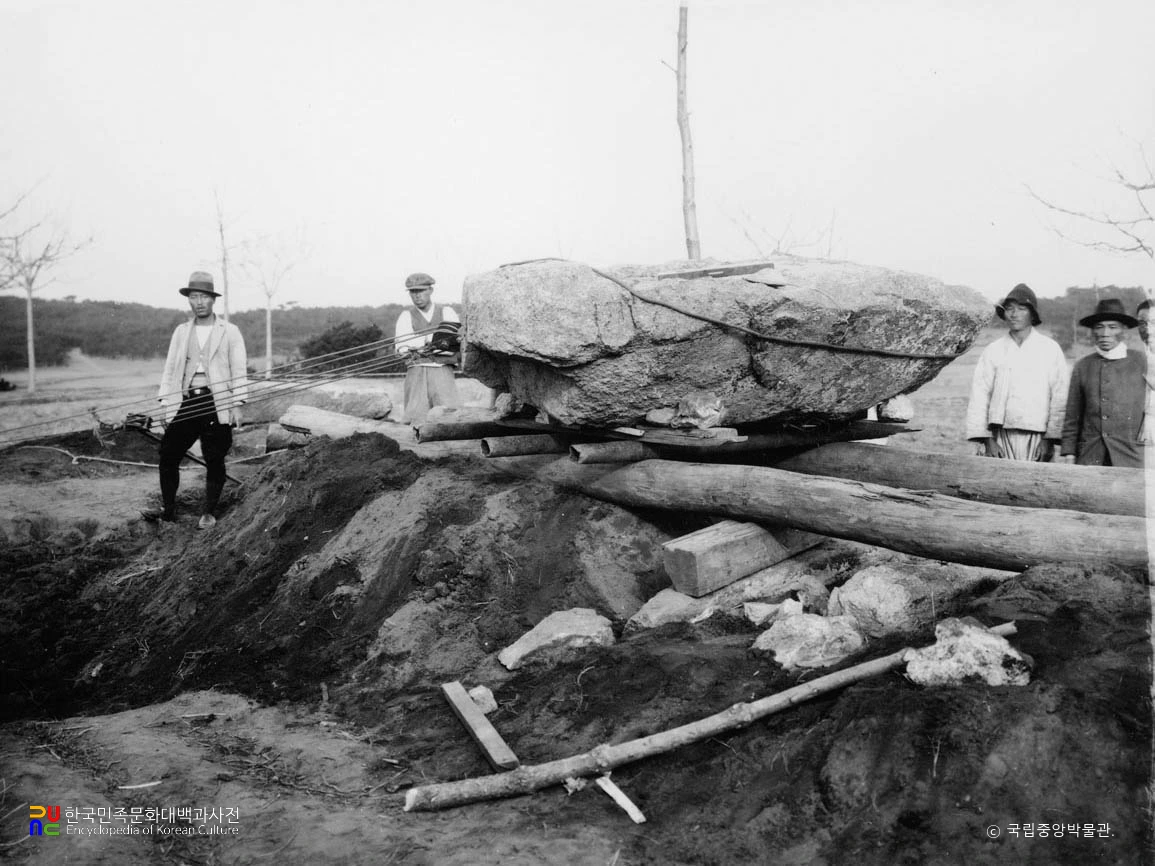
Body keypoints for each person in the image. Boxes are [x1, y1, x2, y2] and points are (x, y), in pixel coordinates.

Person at [143, 271, 248, 528]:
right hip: (187, 402)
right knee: (168, 454)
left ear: (213, 300)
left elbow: (239, 370)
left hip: (217, 402)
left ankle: (209, 512)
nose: (199, 302)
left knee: (214, 458)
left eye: (203, 296)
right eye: (194, 297)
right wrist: (167, 403)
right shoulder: (181, 332)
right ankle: (168, 510)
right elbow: (170, 369)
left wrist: (237, 404)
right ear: (189, 300)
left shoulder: (230, 331)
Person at [964, 283, 1069, 461]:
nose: (1014, 314)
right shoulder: (993, 350)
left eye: (1021, 309)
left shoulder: (1050, 349)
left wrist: (1049, 440)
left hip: (1037, 437)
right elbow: (980, 394)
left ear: (1032, 313)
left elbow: (1060, 396)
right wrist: (987, 439)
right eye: (1010, 309)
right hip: (1000, 435)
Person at [1059, 298, 1146, 468]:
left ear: (1124, 330)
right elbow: (1072, 416)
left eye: (1112, 327)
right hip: (1091, 456)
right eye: (1099, 327)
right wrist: (1069, 453)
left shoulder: (1142, 362)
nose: (1105, 333)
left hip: (1131, 457)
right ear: (1092, 332)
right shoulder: (1083, 366)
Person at [393, 272, 460, 425]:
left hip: (442, 370)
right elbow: (402, 348)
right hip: (416, 372)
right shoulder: (405, 316)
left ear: (430, 290)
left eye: (421, 291)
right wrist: (431, 340)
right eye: (413, 292)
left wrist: (420, 343)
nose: (417, 296)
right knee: (415, 418)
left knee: (449, 415)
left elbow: (453, 343)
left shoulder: (446, 312)